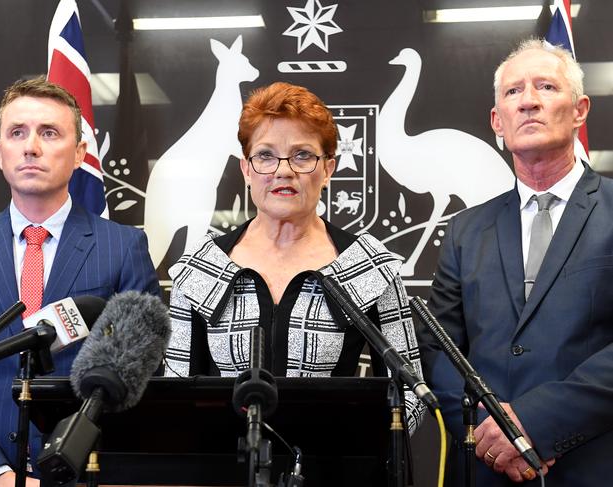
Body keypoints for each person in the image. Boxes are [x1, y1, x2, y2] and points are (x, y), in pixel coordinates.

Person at [164, 81, 426, 432]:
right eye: (266, 155)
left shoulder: (369, 265)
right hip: (226, 470)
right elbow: (175, 390)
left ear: (328, 169)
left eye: (302, 155)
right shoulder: (200, 266)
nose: (283, 170)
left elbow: (410, 393)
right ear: (246, 170)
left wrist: (357, 449)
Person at [419, 38, 612, 486]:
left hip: (594, 464)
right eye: (512, 92)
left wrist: (538, 424)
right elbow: (438, 349)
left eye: (545, 86)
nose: (527, 101)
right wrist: (493, 432)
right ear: (497, 122)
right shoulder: (466, 230)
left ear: (580, 110)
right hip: (486, 466)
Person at [0, 77, 160, 487]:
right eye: (17, 133)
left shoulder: (124, 247)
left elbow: (143, 371)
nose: (31, 146)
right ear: (1, 154)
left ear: (79, 154)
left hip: (85, 473)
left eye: (49, 132)